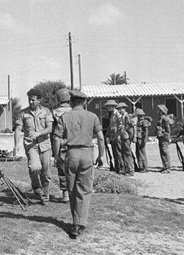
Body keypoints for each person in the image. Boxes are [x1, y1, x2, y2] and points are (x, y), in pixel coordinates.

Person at [54, 90, 104, 238]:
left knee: (72, 189)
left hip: (71, 155)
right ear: (85, 102)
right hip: (87, 154)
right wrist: (101, 156)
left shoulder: (64, 117)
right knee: (84, 189)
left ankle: (76, 222)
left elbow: (56, 138)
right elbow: (100, 138)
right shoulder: (92, 116)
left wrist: (57, 156)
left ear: (71, 102)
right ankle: (79, 223)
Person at [14, 88, 53, 205]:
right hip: (31, 146)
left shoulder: (46, 112)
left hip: (45, 145)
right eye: (29, 100)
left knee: (46, 173)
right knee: (34, 167)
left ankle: (44, 196)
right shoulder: (23, 113)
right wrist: (16, 145)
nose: (30, 102)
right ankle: (36, 187)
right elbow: (18, 129)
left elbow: (50, 128)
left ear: (39, 100)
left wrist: (39, 133)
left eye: (33, 100)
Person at [51, 88, 72, 203]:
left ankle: (65, 193)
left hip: (60, 142)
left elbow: (54, 133)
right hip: (73, 142)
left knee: (62, 170)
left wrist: (55, 153)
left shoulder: (54, 112)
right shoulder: (74, 111)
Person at [116, 102, 135, 176]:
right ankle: (127, 169)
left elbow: (131, 127)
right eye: (118, 109)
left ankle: (130, 170)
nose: (119, 111)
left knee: (127, 153)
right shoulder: (122, 117)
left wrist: (130, 137)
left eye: (120, 109)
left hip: (126, 137)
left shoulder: (127, 116)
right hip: (123, 137)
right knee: (124, 153)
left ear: (124, 109)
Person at [104, 100, 123, 173]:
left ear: (113, 106)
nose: (108, 108)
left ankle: (121, 167)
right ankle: (117, 167)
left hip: (116, 135)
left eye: (109, 106)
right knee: (114, 152)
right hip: (112, 135)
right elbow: (111, 125)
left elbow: (120, 125)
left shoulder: (117, 114)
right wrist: (107, 134)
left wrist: (118, 135)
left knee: (118, 152)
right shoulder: (112, 114)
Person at [156, 104, 172, 173]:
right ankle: (165, 166)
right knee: (162, 152)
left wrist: (168, 137)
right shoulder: (160, 118)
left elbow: (168, 129)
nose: (158, 111)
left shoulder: (165, 119)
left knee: (165, 152)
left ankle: (167, 167)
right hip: (160, 136)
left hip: (164, 137)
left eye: (159, 110)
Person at [134, 108, 151, 173]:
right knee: (138, 153)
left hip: (141, 139)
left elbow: (146, 131)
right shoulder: (138, 121)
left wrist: (145, 140)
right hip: (138, 138)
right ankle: (140, 166)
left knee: (142, 153)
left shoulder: (144, 121)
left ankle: (145, 167)